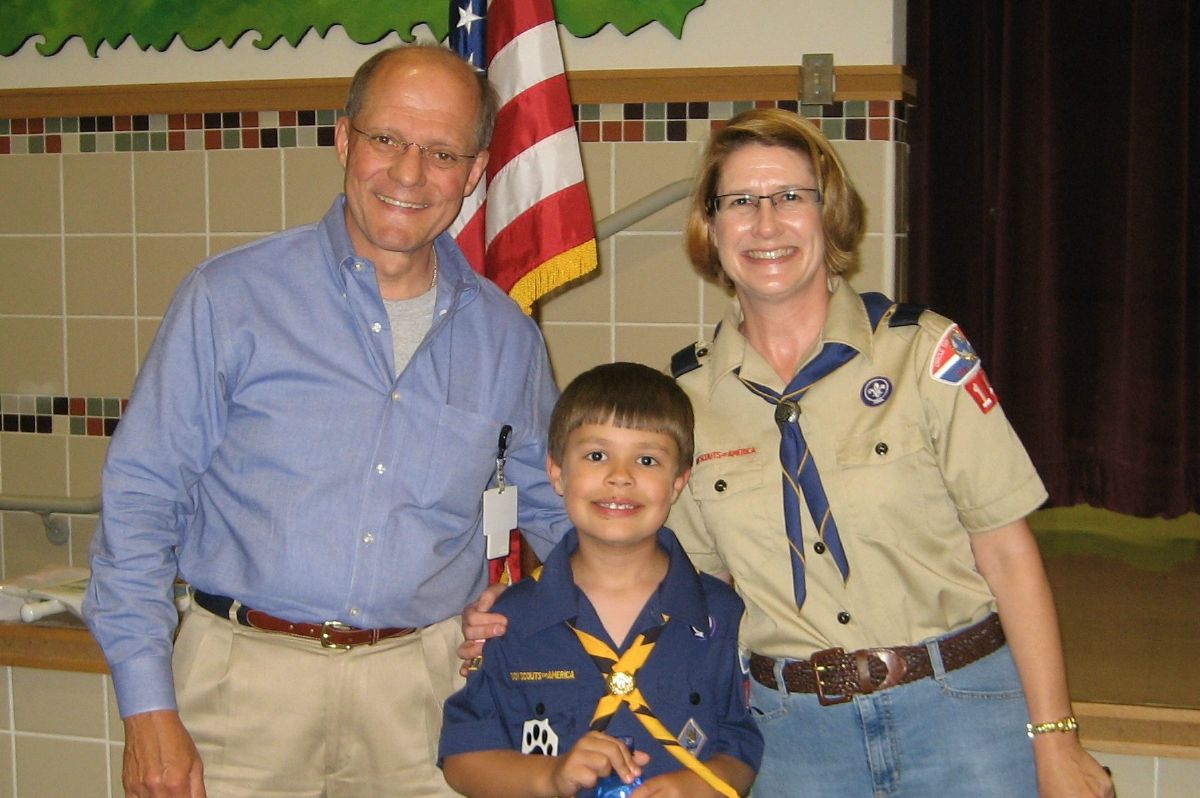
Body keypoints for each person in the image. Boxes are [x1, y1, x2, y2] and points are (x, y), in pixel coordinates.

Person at [462, 109, 1114, 797]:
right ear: (711, 227)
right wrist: (525, 608)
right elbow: (660, 572)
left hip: (961, 714)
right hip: (795, 741)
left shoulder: (922, 353)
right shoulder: (684, 400)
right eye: (740, 201)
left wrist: (1057, 738)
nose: (766, 223)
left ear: (828, 215)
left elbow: (1007, 553)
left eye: (790, 197)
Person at [83, 44, 570, 798]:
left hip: (426, 704)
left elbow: (558, 509)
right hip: (236, 696)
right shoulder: (230, 299)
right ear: (344, 139)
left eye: (441, 153)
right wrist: (147, 707)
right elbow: (141, 502)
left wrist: (555, 609)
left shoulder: (508, 340)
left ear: (475, 172)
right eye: (386, 139)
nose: (409, 174)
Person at [440, 362, 762, 798]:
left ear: (678, 483)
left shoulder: (721, 614)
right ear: (557, 473)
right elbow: (463, 757)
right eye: (596, 456)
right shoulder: (507, 620)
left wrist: (701, 786)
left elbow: (742, 740)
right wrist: (550, 777)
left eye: (647, 460)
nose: (620, 476)